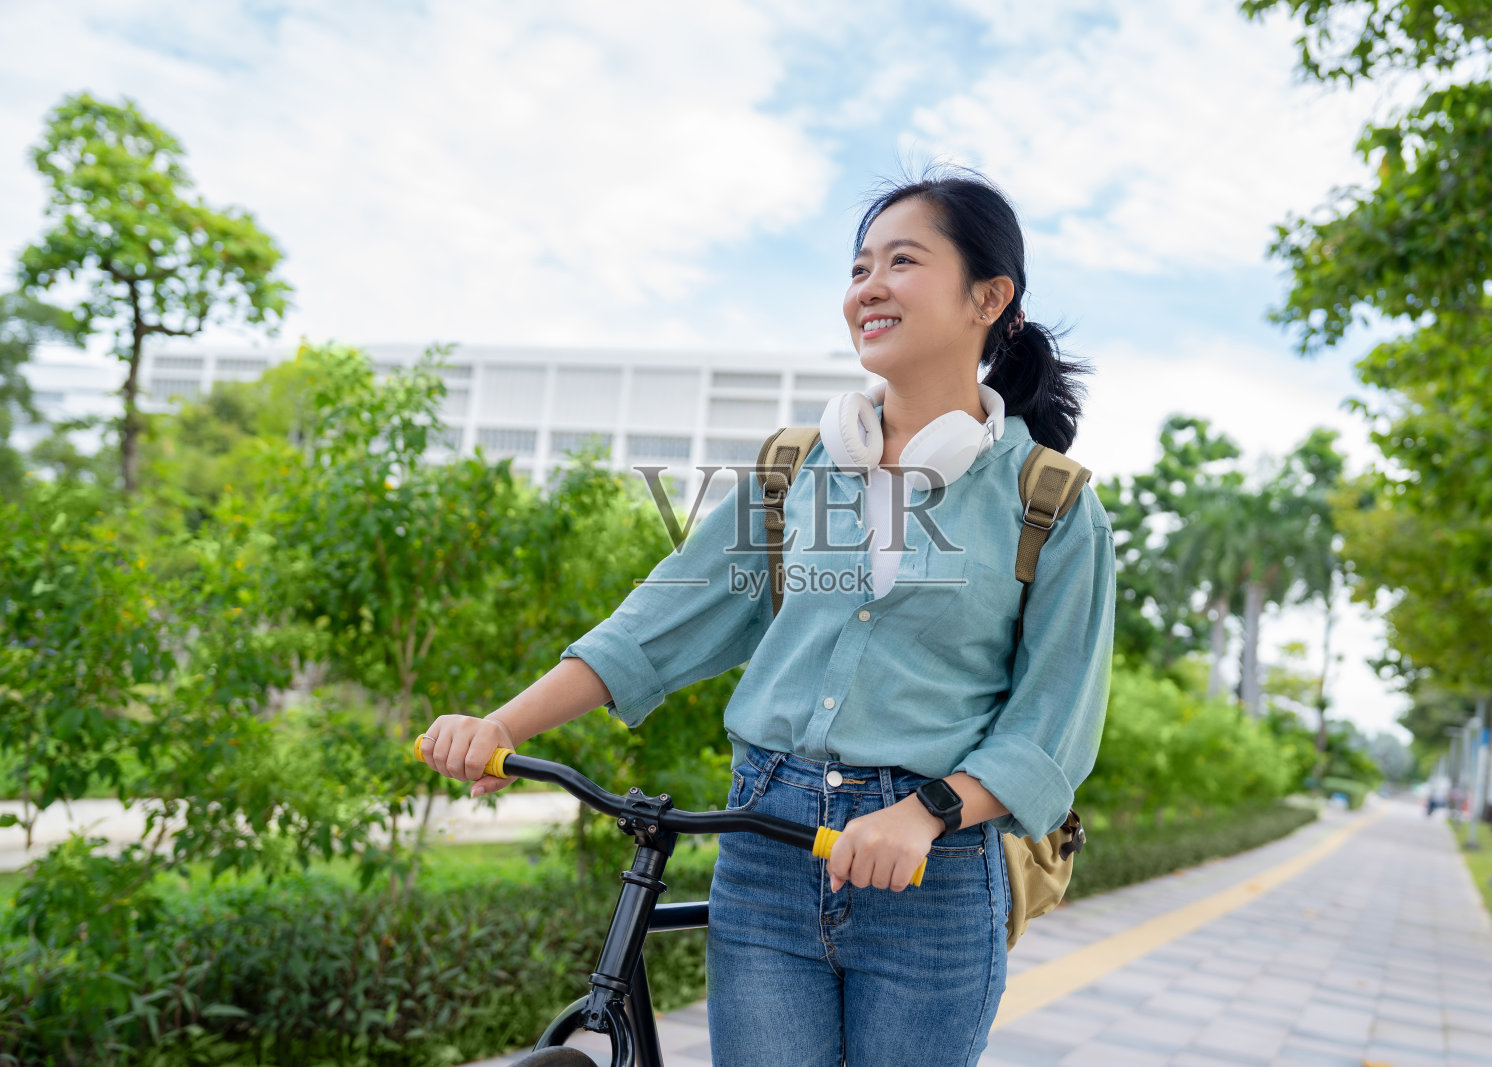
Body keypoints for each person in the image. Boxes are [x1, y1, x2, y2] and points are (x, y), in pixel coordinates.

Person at [419, 166, 1117, 1067]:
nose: (868, 287)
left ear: (989, 295)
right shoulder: (796, 470)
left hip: (931, 876)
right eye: (859, 267)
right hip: (766, 850)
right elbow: (655, 628)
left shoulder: (1050, 503)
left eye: (901, 262)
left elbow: (1054, 726)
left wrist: (929, 812)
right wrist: (500, 724)